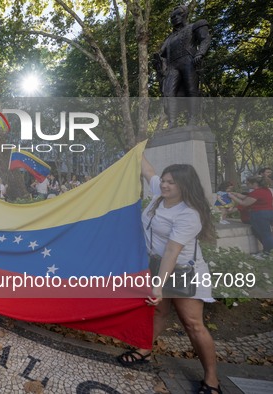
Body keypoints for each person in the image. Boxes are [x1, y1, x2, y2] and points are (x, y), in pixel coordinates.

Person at [118, 157, 220, 394]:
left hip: (185, 272)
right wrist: (136, 150)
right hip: (158, 266)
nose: (164, 185)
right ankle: (145, 349)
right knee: (158, 312)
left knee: (193, 324)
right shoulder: (159, 196)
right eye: (163, 181)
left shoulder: (189, 214)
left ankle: (212, 379)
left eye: (171, 183)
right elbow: (148, 170)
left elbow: (173, 252)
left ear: (184, 186)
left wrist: (158, 286)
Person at [154, 5, 210, 128]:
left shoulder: (193, 27)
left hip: (189, 61)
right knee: (168, 93)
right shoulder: (169, 39)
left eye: (177, 15)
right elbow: (161, 54)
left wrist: (200, 53)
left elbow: (205, 39)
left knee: (191, 90)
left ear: (184, 14)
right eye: (172, 17)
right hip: (173, 65)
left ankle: (193, 119)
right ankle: (172, 121)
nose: (174, 18)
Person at [229, 176, 273, 258]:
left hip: (260, 214)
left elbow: (245, 203)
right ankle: (267, 252)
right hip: (269, 212)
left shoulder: (257, 192)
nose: (247, 184)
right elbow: (249, 197)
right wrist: (237, 194)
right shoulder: (266, 191)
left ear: (255, 183)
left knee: (265, 234)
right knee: (264, 233)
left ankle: (268, 254)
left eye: (248, 183)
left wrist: (232, 197)